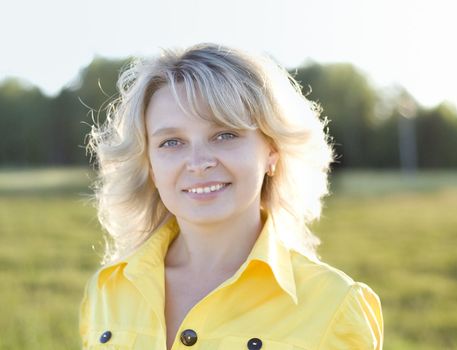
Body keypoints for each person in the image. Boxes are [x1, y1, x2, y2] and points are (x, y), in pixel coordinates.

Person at [79, 43, 383, 350]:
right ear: (151, 167)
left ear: (272, 152)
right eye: (171, 142)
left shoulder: (335, 307)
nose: (198, 163)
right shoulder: (107, 290)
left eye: (225, 135)